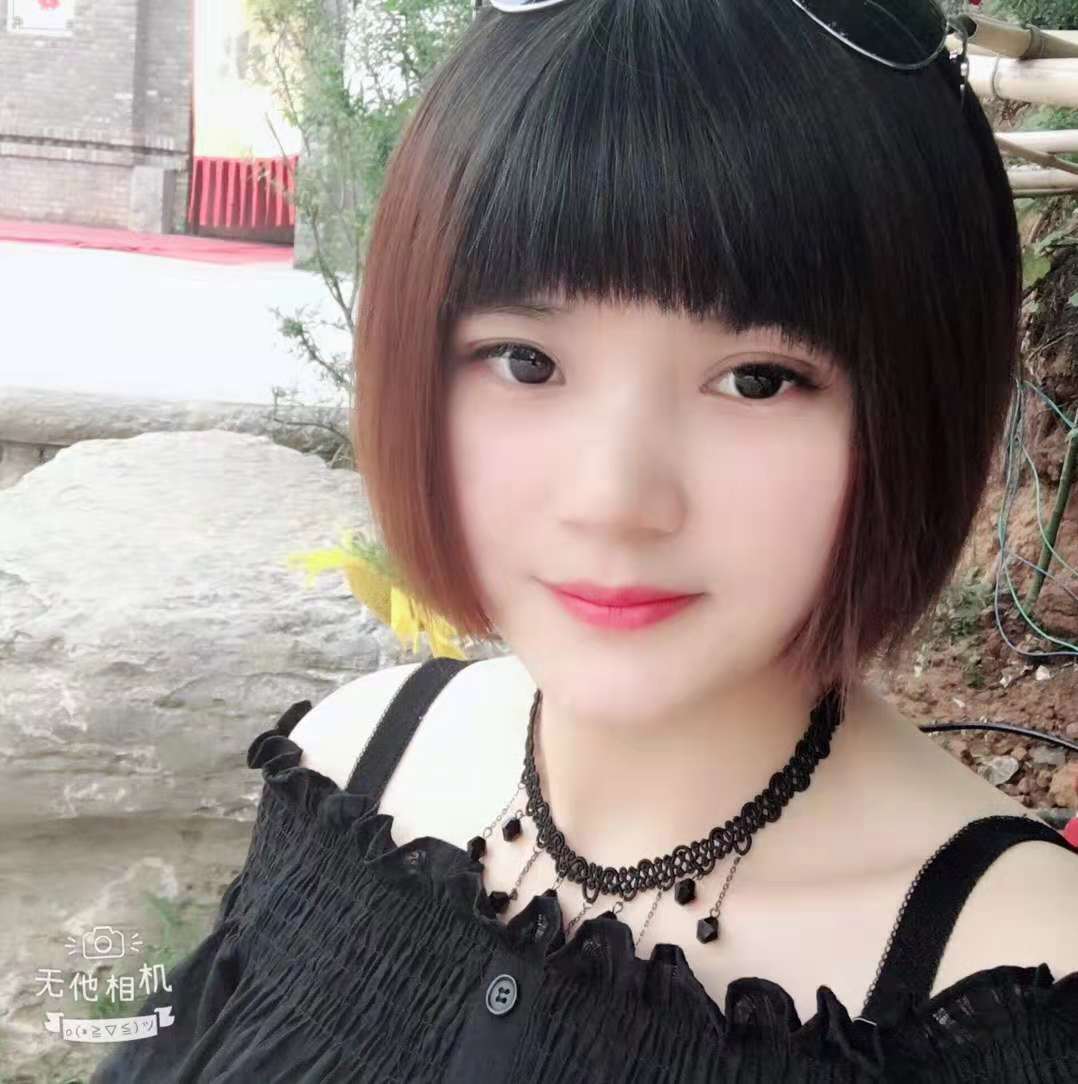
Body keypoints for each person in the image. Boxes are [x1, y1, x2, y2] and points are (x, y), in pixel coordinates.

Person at [91, 0, 1078, 1080]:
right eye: (525, 361)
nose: (613, 501)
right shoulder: (347, 768)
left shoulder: (1008, 985)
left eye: (756, 379)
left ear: (921, 408)